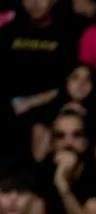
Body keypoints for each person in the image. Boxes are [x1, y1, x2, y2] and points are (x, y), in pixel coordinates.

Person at [0, 0, 80, 150]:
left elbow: (71, 80)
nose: (35, 3)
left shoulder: (68, 34)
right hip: (11, 102)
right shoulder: (8, 33)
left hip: (51, 100)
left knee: (41, 122)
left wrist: (32, 101)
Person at [30, 63, 96, 165]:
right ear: (66, 81)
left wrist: (87, 124)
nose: (81, 84)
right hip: (51, 170)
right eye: (75, 78)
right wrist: (58, 118)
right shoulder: (45, 113)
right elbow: (39, 156)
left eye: (87, 80)